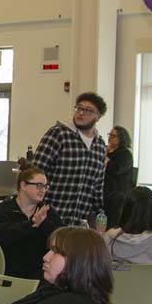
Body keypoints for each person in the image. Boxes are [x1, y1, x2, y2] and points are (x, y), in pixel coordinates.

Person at [33, 92, 108, 227]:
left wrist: (99, 215)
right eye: (79, 108)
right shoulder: (59, 134)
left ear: (98, 116)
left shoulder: (100, 146)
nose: (81, 113)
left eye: (88, 110)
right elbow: (36, 172)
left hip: (78, 221)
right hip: (49, 216)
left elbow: (97, 186)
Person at [0, 166, 62, 279]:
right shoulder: (3, 211)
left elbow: (61, 239)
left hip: (42, 274)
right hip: (11, 273)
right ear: (23, 186)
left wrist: (44, 223)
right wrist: (31, 224)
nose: (43, 190)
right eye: (39, 186)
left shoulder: (47, 212)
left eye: (45, 187)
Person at [103, 126, 134, 228]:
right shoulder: (108, 151)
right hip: (104, 191)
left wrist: (105, 156)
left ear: (121, 138)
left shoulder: (125, 154)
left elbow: (115, 169)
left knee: (112, 223)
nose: (110, 137)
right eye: (109, 135)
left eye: (113, 136)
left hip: (117, 195)